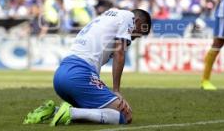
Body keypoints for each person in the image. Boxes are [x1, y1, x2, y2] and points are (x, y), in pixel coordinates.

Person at [23, 8, 152, 125]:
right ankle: (71, 113)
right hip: (78, 75)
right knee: (125, 116)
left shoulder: (108, 16)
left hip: (61, 75)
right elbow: (120, 53)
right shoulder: (128, 16)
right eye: (138, 32)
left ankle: (52, 111)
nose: (133, 38)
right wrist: (116, 90)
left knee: (95, 110)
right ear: (137, 21)